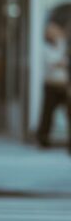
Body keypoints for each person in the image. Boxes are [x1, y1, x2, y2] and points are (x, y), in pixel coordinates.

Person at [36, 22, 71, 151]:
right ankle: (43, 139)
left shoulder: (63, 44)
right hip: (51, 84)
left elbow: (65, 61)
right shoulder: (45, 47)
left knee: (69, 113)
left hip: (63, 85)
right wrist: (61, 62)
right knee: (47, 114)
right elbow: (53, 63)